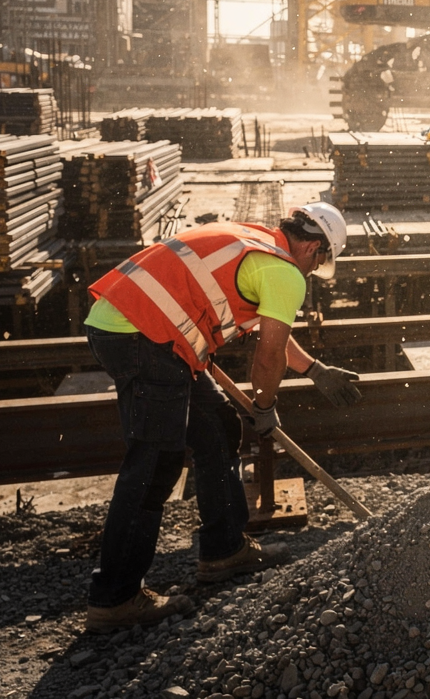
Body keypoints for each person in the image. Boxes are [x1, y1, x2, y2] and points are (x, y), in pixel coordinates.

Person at [80, 204, 362, 633]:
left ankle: (224, 550)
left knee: (217, 428)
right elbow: (268, 357)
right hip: (143, 334)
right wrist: (264, 406)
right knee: (154, 466)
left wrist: (314, 369)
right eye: (320, 261)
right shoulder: (285, 272)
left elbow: (273, 331)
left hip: (136, 325)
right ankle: (115, 599)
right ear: (313, 247)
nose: (314, 269)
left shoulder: (256, 242)